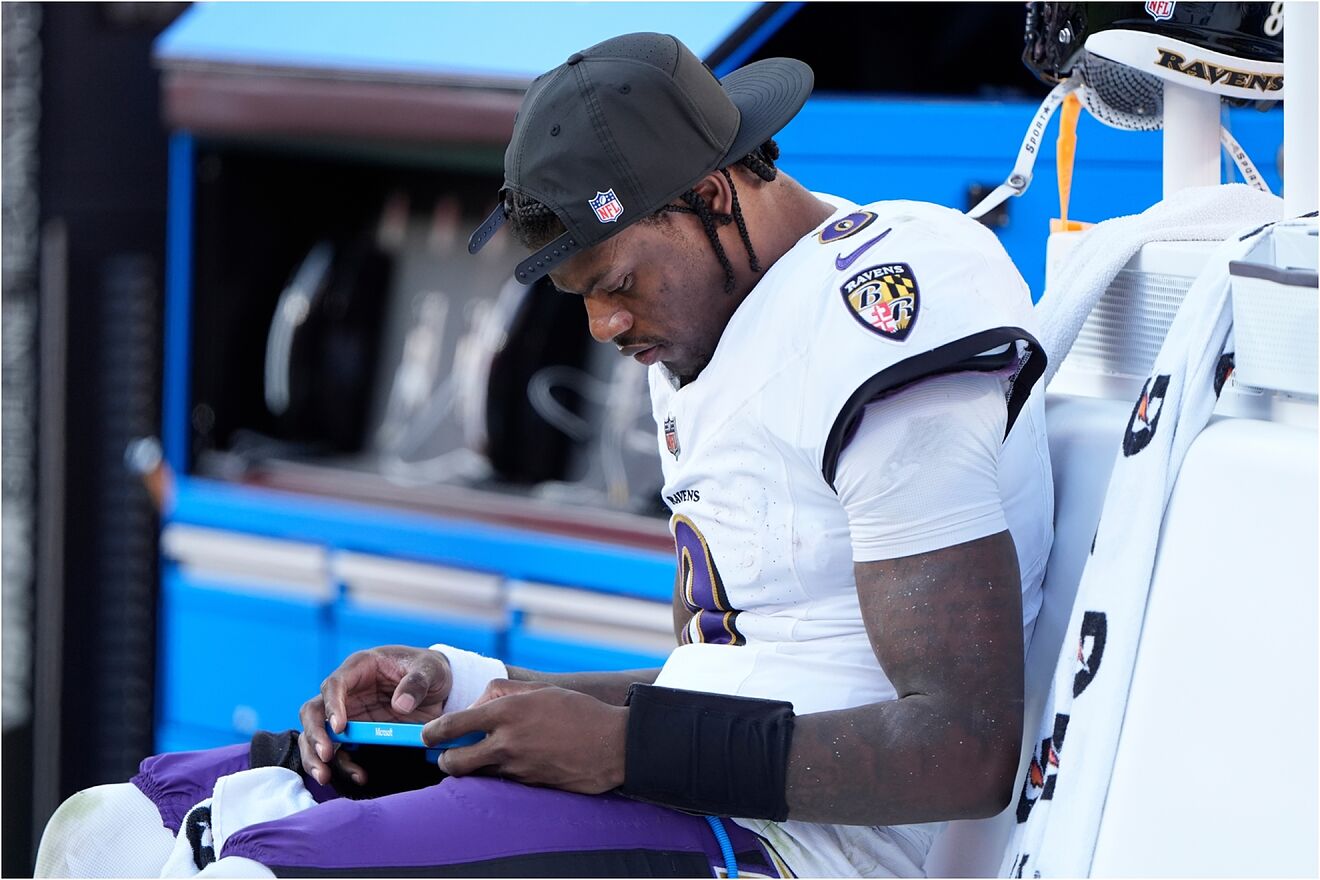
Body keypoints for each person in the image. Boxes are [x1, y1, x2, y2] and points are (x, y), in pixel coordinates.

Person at [36, 31, 1053, 878]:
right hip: (704, 794)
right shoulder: (719, 314)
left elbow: (962, 748)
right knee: (131, 820)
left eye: (618, 281)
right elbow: (732, 681)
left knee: (266, 867)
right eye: (583, 299)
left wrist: (619, 750)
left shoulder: (880, 312)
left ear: (709, 195)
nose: (606, 328)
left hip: (807, 848)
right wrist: (476, 687)